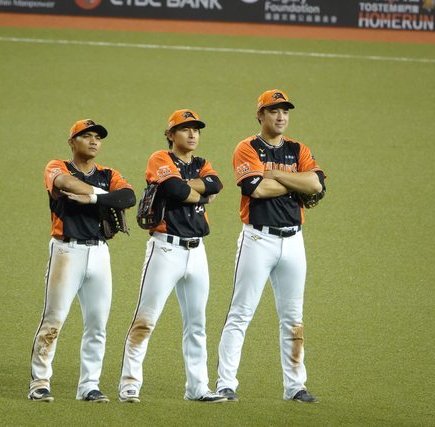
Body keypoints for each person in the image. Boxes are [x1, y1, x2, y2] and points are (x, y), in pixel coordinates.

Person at [216, 89, 326, 403]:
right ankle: (226, 384)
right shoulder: (247, 147)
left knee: (293, 318)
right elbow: (256, 189)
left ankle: (295, 386)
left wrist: (274, 173)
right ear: (260, 116)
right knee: (241, 313)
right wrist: (295, 181)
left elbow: (316, 184)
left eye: (285, 111)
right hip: (257, 240)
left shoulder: (298, 149)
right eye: (274, 111)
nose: (281, 116)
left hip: (294, 242)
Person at [119, 109, 226, 403]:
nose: (192, 134)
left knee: (197, 324)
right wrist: (200, 193)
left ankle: (198, 387)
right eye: (185, 129)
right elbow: (175, 188)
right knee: (145, 319)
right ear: (170, 134)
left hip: (197, 252)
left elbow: (216, 184)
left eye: (196, 130)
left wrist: (188, 188)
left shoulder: (202, 163)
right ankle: (129, 383)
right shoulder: (160, 158)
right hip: (165, 250)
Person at [29, 119, 136, 403]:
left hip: (100, 254)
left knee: (97, 323)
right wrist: (105, 197)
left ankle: (89, 385)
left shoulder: (108, 174)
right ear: (71, 142)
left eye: (97, 137)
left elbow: (128, 197)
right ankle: (40, 382)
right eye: (86, 136)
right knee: (53, 320)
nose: (93, 141)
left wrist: (92, 199)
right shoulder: (58, 166)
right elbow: (65, 183)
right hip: (66, 252)